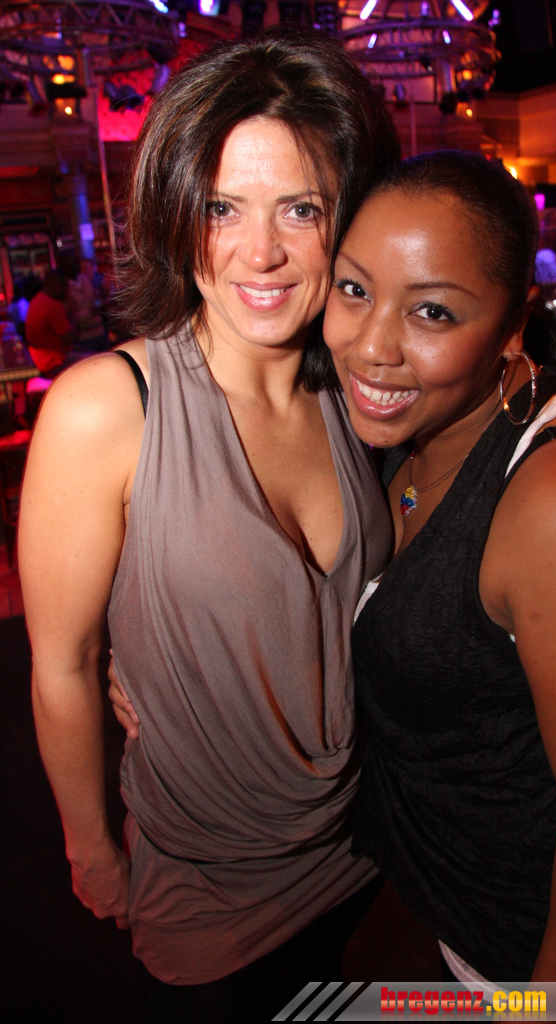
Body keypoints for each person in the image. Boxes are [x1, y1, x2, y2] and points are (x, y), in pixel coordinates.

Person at [19, 28, 399, 1022]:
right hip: (209, 895)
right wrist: (89, 844)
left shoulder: (357, 391)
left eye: (301, 209)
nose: (260, 252)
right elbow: (63, 662)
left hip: (363, 852)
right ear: (178, 212)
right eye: (223, 207)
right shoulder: (107, 408)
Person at [321, 150, 556, 999]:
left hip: (506, 959)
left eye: (433, 311)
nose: (371, 346)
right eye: (354, 289)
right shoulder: (406, 431)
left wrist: (548, 1008)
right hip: (414, 893)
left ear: (514, 325)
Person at [24, 269, 76, 374]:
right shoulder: (53, 305)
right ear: (57, 286)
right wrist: (72, 312)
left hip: (39, 359)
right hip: (54, 361)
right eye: (66, 286)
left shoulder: (37, 299)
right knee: (94, 362)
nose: (67, 290)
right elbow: (70, 338)